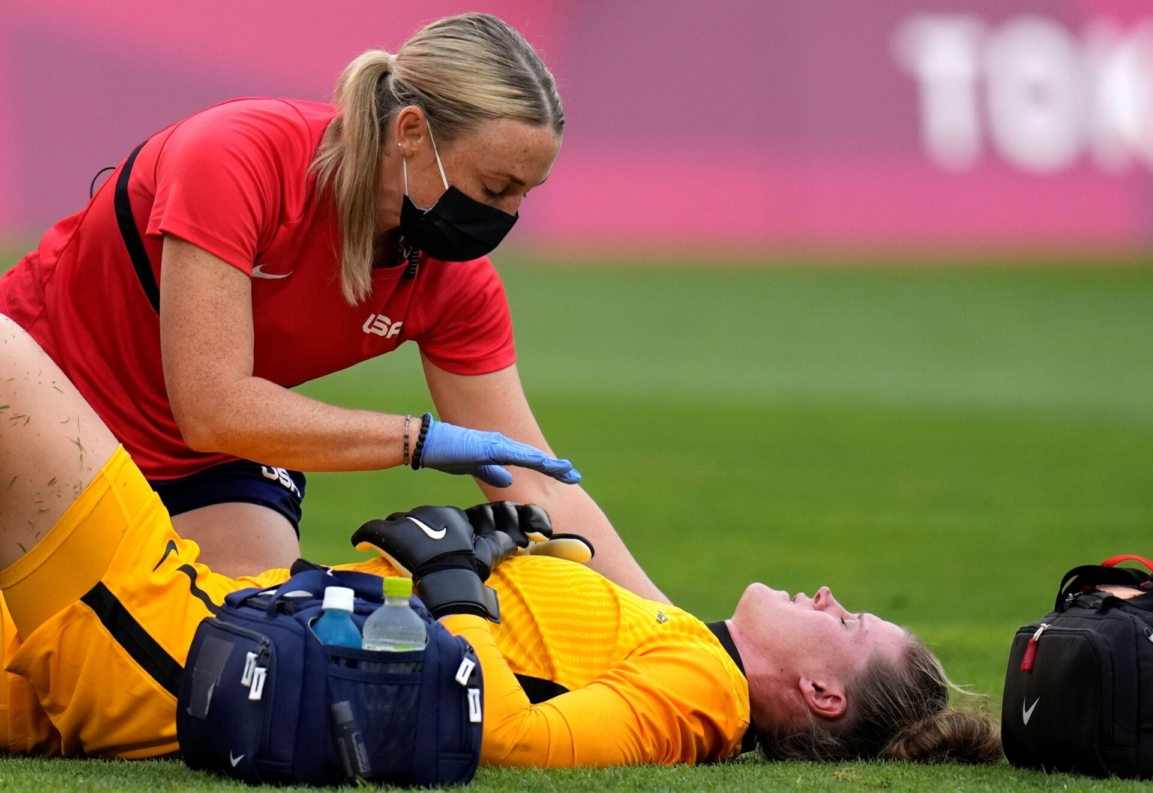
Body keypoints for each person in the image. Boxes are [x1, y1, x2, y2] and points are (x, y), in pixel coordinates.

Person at [0, 314, 1000, 766]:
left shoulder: (703, 694)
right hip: (227, 625)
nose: (828, 593)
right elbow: (533, 655)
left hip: (197, 651)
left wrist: (452, 577)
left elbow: (512, 734)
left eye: (851, 620)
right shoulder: (677, 639)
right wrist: (487, 548)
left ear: (822, 694)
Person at [0, 13, 665, 601]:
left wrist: (692, 640)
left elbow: (540, 488)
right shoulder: (235, 157)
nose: (509, 216)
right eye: (496, 186)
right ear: (410, 131)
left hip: (207, 466)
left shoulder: (457, 283)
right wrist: (418, 440)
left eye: (526, 193)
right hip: (43, 411)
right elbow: (211, 406)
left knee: (248, 643)